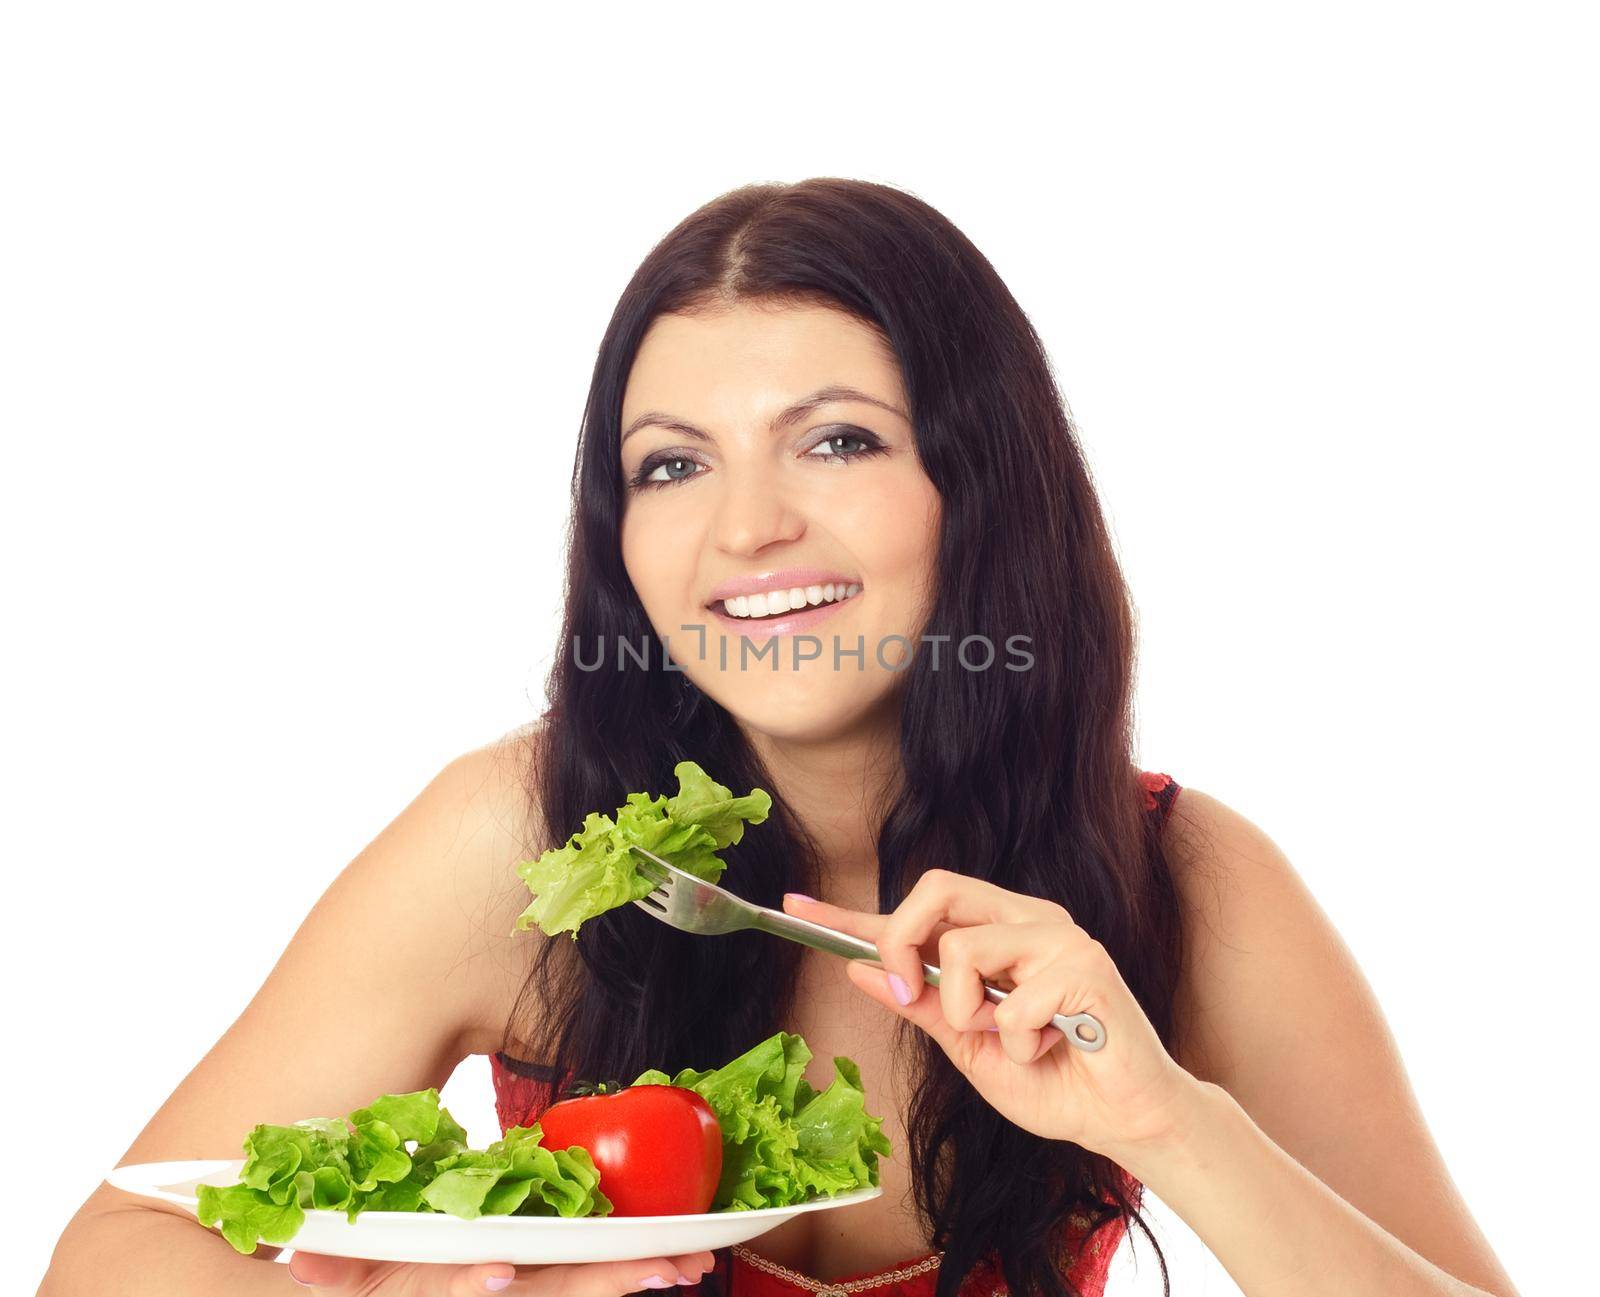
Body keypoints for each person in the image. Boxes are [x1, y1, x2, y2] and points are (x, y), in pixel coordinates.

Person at [40, 178, 1520, 1297]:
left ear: (978, 482)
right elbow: (111, 1251)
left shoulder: (1184, 878)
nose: (746, 526)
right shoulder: (523, 845)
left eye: (836, 440)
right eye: (672, 465)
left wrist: (1176, 1125)